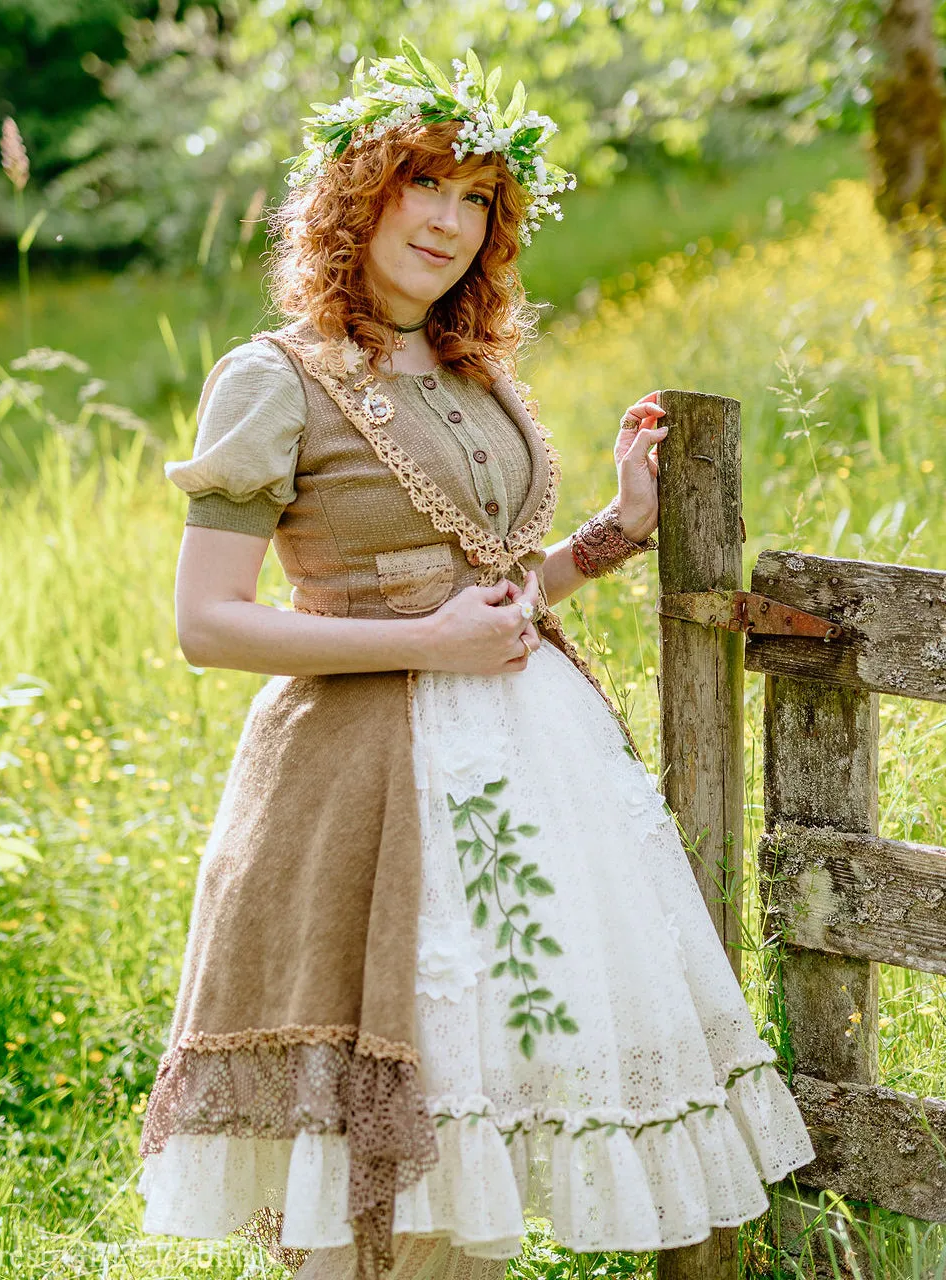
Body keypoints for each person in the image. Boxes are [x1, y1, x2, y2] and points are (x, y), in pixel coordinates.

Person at [136, 39, 816, 1280]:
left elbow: (491, 595)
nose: (448, 221)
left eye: (477, 202)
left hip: (522, 777)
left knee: (481, 1142)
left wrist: (615, 528)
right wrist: (426, 644)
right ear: (361, 196)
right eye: (424, 186)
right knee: (362, 1191)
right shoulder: (271, 378)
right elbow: (208, 623)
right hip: (360, 788)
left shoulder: (469, 368)